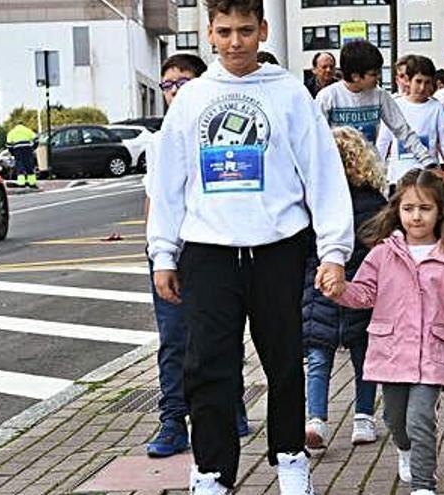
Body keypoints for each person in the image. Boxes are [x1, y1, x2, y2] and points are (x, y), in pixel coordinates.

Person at [146, 0, 354, 493]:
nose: (235, 41)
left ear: (262, 30)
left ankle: (290, 458)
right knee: (207, 367)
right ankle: (212, 471)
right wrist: (163, 253)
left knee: (284, 361)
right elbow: (169, 182)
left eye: (244, 30)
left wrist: (334, 251)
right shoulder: (193, 98)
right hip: (207, 251)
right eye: (224, 31)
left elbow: (322, 173)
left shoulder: (290, 94)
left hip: (277, 248)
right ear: (209, 34)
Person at [320, 169, 444, 495]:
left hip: (433, 354)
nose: (416, 216)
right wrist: (339, 290)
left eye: (425, 208)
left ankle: (424, 485)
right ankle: (405, 448)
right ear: (397, 210)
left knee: (420, 420)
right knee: (395, 420)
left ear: (441, 211)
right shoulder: (383, 254)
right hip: (392, 351)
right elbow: (364, 294)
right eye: (408, 208)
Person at [146, 52, 256, 460]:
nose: (175, 91)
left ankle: (231, 405)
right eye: (168, 84)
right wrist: (158, 253)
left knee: (221, 335)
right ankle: (173, 419)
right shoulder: (159, 140)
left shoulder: (217, 128)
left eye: (184, 82)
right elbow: (156, 199)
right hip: (172, 251)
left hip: (212, 247)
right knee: (174, 339)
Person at [303, 126, 387, 450]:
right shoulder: (374, 201)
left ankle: (316, 419)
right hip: (362, 287)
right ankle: (363, 418)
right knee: (364, 356)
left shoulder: (312, 202)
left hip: (319, 287)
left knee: (318, 356)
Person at [316, 40, 435, 168]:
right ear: (356, 76)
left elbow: (402, 130)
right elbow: (315, 138)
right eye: (373, 74)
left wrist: (428, 162)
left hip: (369, 170)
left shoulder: (380, 95)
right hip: (337, 168)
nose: (378, 77)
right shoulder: (328, 97)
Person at [377, 56, 444, 191]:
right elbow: (383, 142)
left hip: (428, 179)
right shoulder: (395, 104)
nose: (422, 87)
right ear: (408, 80)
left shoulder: (437, 107)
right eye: (418, 81)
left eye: (427, 82)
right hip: (398, 178)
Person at [5, 124, 37, 188]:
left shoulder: (12, 132)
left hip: (17, 150)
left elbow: (9, 145)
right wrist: (33, 148)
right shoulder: (27, 130)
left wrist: (12, 152)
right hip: (27, 149)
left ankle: (22, 183)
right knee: (29, 166)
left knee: (20, 166)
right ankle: (32, 183)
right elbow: (36, 140)